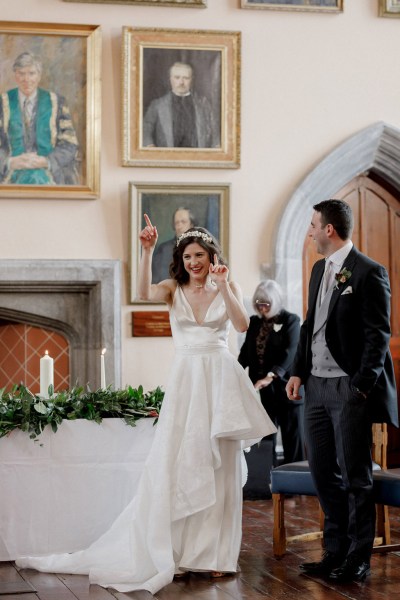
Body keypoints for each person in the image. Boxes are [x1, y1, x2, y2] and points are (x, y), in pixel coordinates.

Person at [16, 216, 276, 594]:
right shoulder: (173, 288)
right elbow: (140, 290)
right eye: (187, 256)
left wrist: (224, 287)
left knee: (220, 469)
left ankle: (217, 557)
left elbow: (240, 326)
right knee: (182, 461)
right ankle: (181, 554)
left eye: (199, 255)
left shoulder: (227, 284)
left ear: (211, 255)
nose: (193, 262)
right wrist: (146, 250)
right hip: (187, 382)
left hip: (221, 384)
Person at [286, 199, 398, 583]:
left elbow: (378, 335)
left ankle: (358, 556)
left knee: (355, 476)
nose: (311, 232)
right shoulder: (319, 269)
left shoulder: (369, 272)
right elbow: (309, 323)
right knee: (322, 471)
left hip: (349, 390)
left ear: (329, 229)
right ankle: (334, 551)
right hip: (316, 388)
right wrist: (298, 372)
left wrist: (360, 388)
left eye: (313, 225)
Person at [238, 280, 304, 471]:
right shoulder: (254, 322)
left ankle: (296, 480)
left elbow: (290, 353)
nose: (262, 308)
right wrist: (234, 372)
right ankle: (268, 479)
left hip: (288, 388)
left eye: (266, 304)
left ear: (276, 301)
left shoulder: (291, 321)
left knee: (293, 437)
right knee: (265, 437)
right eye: (259, 304)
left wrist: (270, 376)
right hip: (264, 393)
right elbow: (245, 353)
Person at [0, 51, 79, 185]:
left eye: (31, 73)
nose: (27, 79)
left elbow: (69, 144)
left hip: (49, 174)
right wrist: (10, 162)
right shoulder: (3, 102)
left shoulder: (56, 102)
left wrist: (47, 161)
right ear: (15, 75)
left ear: (39, 76)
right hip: (10, 175)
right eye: (21, 73)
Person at [142, 61, 220, 148]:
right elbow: (145, 129)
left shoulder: (204, 105)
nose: (181, 82)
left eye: (186, 78)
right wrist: (149, 145)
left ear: (192, 80)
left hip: (198, 157)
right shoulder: (157, 105)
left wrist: (217, 149)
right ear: (170, 79)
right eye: (177, 77)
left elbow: (215, 132)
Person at [152, 206, 195, 283]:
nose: (179, 226)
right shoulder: (164, 250)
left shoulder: (200, 248)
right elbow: (158, 280)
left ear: (191, 225)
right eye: (176, 223)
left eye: (183, 222)